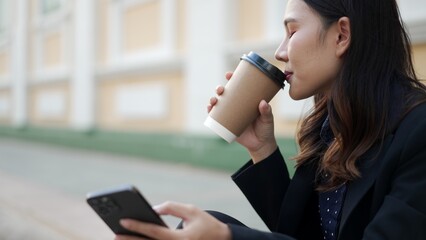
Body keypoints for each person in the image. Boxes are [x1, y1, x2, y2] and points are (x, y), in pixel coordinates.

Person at [115, 0, 426, 239]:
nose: (280, 51)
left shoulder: (418, 130)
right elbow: (302, 234)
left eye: (292, 31)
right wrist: (261, 150)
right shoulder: (331, 124)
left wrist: (228, 237)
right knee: (202, 224)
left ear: (341, 35)